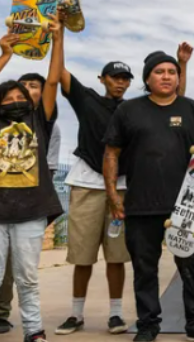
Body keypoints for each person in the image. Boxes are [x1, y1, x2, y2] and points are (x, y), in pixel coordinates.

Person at [103, 49, 194, 342]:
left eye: (172, 72)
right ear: (148, 78)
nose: (166, 76)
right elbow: (111, 152)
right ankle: (148, 325)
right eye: (159, 72)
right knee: (145, 269)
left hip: (187, 206)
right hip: (141, 204)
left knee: (193, 267)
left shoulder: (193, 109)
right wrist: (112, 195)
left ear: (178, 77)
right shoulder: (128, 111)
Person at [0, 24, 66, 342]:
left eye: (18, 96)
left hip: (30, 211)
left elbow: (52, 81)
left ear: (29, 100)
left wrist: (58, 39)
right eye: (7, 97)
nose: (13, 100)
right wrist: (6, 55)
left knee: (27, 277)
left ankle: (34, 331)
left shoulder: (40, 120)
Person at [53, 26, 137, 336]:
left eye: (125, 78)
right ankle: (76, 314)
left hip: (123, 189)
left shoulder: (135, 109)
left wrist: (182, 66)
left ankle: (116, 315)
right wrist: (58, 33)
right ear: (102, 79)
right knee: (83, 256)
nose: (120, 82)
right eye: (115, 77)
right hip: (87, 184)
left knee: (117, 257)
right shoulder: (87, 100)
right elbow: (59, 72)